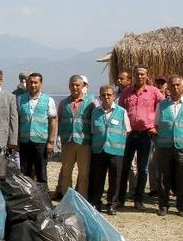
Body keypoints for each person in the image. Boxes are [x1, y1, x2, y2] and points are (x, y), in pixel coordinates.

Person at [117, 65, 164, 210]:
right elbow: (120, 112)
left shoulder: (154, 92)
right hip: (129, 134)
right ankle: (120, 199)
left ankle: (139, 199)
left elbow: (164, 108)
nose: (140, 76)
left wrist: (156, 127)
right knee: (124, 167)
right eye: (137, 74)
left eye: (143, 74)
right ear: (134, 75)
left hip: (146, 135)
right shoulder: (126, 92)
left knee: (143, 169)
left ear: (147, 76)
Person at [153, 75, 183, 216]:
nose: (175, 88)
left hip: (182, 146)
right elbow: (156, 124)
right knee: (163, 177)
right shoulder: (161, 105)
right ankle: (163, 205)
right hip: (164, 146)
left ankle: (181, 206)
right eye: (172, 85)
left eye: (178, 85)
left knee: (181, 176)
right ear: (168, 87)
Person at [88, 85, 130, 215]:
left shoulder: (122, 112)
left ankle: (112, 203)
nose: (106, 97)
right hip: (99, 151)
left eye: (109, 95)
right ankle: (96, 202)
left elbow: (127, 131)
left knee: (115, 179)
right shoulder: (95, 112)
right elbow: (92, 131)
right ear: (100, 97)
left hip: (116, 152)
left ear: (114, 96)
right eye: (103, 95)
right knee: (97, 178)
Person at [56, 75, 95, 200]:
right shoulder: (63, 103)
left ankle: (83, 199)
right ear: (69, 86)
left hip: (84, 143)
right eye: (72, 85)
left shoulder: (91, 103)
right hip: (67, 142)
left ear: (83, 86)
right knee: (66, 174)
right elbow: (59, 120)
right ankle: (67, 199)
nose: (75, 87)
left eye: (77, 85)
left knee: (84, 174)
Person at [17, 73, 57, 186]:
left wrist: (50, 142)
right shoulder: (21, 99)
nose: (33, 85)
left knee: (41, 173)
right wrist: (17, 139)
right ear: (27, 84)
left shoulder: (48, 100)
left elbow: (53, 121)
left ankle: (43, 199)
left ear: (41, 84)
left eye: (35, 82)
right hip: (25, 142)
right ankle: (28, 199)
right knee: (25, 173)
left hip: (41, 142)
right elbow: (18, 120)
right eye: (30, 82)